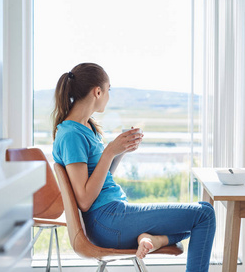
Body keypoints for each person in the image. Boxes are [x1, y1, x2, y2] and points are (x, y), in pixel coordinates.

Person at [51, 63, 216, 271]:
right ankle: (154, 239)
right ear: (98, 91)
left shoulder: (85, 127)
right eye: (108, 90)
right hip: (107, 222)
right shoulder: (71, 136)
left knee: (204, 210)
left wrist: (120, 152)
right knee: (204, 216)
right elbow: (84, 200)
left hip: (112, 217)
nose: (108, 96)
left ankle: (153, 240)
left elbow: (99, 181)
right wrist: (109, 151)